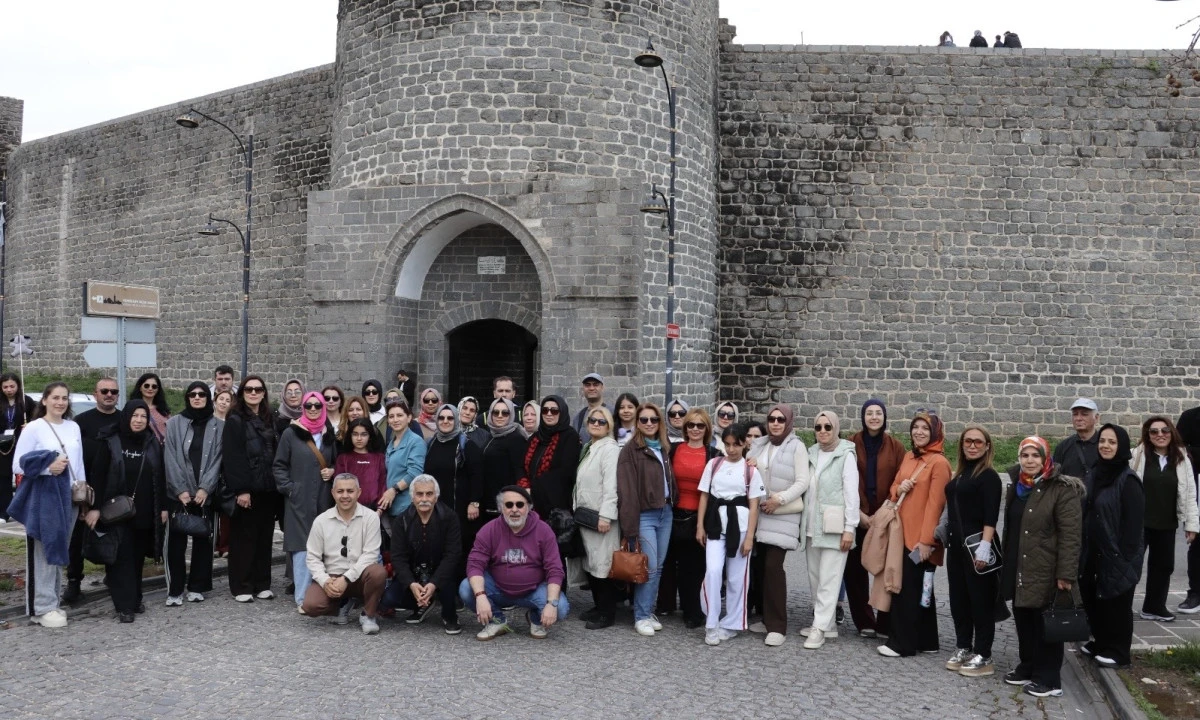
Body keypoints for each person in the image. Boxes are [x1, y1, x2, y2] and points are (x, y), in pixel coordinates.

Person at [1001, 436, 1084, 697]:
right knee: (1024, 620)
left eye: (1035, 455)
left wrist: (1066, 574)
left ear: (1045, 458)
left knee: (1045, 623)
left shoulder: (1061, 489)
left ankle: (1049, 679)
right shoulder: (1017, 486)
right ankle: (1027, 667)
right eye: (1025, 455)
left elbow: (1071, 536)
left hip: (1047, 569)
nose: (1030, 461)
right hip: (1020, 566)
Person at [11, 382, 86, 628]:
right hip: (45, 496)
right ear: (44, 400)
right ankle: (40, 606)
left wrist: (82, 492)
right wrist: (46, 468)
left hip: (69, 497)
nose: (60, 402)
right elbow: (18, 465)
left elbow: (79, 463)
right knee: (43, 550)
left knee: (59, 549)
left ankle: (51, 602)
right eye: (55, 397)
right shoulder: (33, 428)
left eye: (64, 398)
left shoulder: (73, 426)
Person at [878, 410, 951, 658]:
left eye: (925, 429)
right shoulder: (910, 456)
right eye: (915, 427)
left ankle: (902, 644)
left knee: (908, 590)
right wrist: (901, 487)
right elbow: (894, 487)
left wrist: (927, 541)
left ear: (935, 433)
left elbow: (936, 505)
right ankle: (927, 640)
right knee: (923, 590)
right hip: (902, 532)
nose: (919, 432)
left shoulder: (939, 463)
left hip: (919, 539)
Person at [84, 400, 164, 622]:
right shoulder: (111, 441)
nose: (138, 420)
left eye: (143, 416)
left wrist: (163, 508)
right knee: (120, 559)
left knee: (137, 558)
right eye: (134, 416)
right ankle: (124, 606)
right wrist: (95, 508)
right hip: (114, 512)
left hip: (144, 511)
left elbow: (160, 475)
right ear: (126, 416)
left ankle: (135, 598)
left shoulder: (151, 442)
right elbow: (98, 476)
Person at [459, 485, 569, 640]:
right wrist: (481, 595)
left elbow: (555, 569)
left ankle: (535, 619)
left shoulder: (544, 530)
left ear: (529, 507)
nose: (515, 509)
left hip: (534, 590)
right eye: (509, 505)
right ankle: (497, 621)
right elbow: (475, 564)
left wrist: (551, 603)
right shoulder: (488, 530)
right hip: (498, 588)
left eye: (520, 504)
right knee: (466, 588)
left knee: (561, 608)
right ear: (500, 508)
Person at [1079, 425, 1145, 670]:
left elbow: (1135, 526)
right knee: (1094, 598)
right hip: (1094, 551)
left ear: (1122, 447)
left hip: (1118, 554)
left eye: (1112, 442)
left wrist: (1124, 557)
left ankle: (1119, 652)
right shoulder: (1096, 473)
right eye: (1102, 441)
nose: (1105, 446)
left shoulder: (1128, 480)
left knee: (1116, 603)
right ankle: (1102, 642)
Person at [746, 404, 809, 647]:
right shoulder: (759, 444)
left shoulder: (797, 447)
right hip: (761, 514)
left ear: (789, 422)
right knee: (762, 568)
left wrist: (779, 499)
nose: (775, 423)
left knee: (774, 567)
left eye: (781, 419)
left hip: (782, 514)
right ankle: (766, 618)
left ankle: (778, 626)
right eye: (771, 419)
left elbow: (802, 481)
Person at [697, 423, 765, 646]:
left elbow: (754, 505)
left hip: (741, 526)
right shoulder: (714, 464)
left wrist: (749, 538)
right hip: (716, 524)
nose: (731, 449)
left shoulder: (751, 471)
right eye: (727, 444)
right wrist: (700, 526)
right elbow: (705, 497)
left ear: (745, 443)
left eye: (736, 444)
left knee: (737, 579)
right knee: (714, 571)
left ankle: (733, 623)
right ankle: (711, 621)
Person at [943, 425, 1003, 677]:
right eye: (968, 441)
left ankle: (983, 654)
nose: (972, 445)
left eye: (978, 442)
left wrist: (985, 548)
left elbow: (991, 516)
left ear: (987, 446)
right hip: (956, 546)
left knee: (981, 602)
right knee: (959, 600)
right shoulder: (960, 474)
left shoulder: (989, 476)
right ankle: (963, 646)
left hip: (978, 546)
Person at [799, 411, 859, 650]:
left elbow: (851, 494)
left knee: (830, 578)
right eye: (818, 427)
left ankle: (819, 628)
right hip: (812, 526)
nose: (823, 431)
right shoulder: (811, 453)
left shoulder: (846, 454)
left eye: (827, 427)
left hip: (835, 527)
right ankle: (827, 623)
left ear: (836, 428)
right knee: (815, 578)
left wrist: (849, 528)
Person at [846, 398, 905, 638]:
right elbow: (846, 478)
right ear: (862, 417)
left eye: (878, 413)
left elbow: (899, 479)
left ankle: (885, 623)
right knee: (854, 570)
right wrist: (858, 514)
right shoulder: (851, 443)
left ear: (884, 417)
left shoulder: (895, 447)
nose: (873, 417)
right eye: (869, 413)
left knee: (884, 569)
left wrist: (884, 513)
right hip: (857, 513)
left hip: (884, 515)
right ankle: (865, 622)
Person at [274, 390, 338, 608]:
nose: (312, 409)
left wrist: (333, 470)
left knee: (325, 547)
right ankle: (302, 598)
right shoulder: (291, 434)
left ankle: (324, 594)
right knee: (301, 548)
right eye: (308, 405)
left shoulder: (330, 434)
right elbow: (279, 464)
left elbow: (338, 462)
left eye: (317, 406)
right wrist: (290, 489)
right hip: (298, 500)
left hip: (324, 498)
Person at [617, 402, 676, 636]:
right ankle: (640, 616)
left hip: (666, 512)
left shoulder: (664, 447)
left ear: (659, 423)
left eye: (653, 419)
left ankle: (647, 611)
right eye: (644, 420)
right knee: (649, 567)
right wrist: (629, 528)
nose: (649, 423)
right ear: (638, 423)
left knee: (658, 567)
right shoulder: (631, 450)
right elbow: (627, 491)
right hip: (644, 514)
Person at [301, 473, 386, 635]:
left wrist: (346, 579)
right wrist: (325, 581)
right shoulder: (321, 521)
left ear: (359, 492)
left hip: (361, 576)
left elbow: (371, 554)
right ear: (333, 493)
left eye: (350, 491)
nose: (345, 496)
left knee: (378, 572)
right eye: (340, 491)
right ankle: (340, 604)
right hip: (332, 576)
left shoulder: (371, 518)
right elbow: (312, 557)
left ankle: (368, 615)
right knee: (311, 606)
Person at [1132, 416, 1198, 622]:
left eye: (1165, 431)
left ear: (1172, 433)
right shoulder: (1137, 455)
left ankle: (1154, 607)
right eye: (1154, 431)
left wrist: (1192, 524)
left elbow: (1189, 493)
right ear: (1148, 435)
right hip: (1139, 523)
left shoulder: (1182, 458)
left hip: (1167, 523)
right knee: (1131, 567)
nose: (1160, 435)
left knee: (1163, 567)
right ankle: (1121, 607)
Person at [163, 382, 223, 606]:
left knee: (203, 541)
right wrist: (180, 490)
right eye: (193, 394)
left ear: (208, 398)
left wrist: (205, 488)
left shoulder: (218, 426)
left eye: (202, 394)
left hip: (204, 493)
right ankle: (175, 590)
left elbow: (218, 458)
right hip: (179, 495)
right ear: (187, 397)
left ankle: (197, 587)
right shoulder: (174, 424)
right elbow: (170, 457)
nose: (197, 398)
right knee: (176, 544)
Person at [222, 375, 280, 602]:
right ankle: (242, 585)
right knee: (243, 539)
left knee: (264, 538)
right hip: (248, 488)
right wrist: (241, 490)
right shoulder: (235, 420)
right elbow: (233, 457)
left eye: (258, 389)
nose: (253, 393)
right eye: (249, 390)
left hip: (268, 487)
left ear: (264, 393)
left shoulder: (270, 417)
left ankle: (262, 582)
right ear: (242, 393)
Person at [660, 407, 718, 628]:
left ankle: (691, 609)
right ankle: (664, 605)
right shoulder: (673, 450)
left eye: (700, 425)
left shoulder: (713, 454)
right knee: (666, 563)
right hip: (672, 513)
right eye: (690, 425)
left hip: (698, 516)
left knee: (692, 567)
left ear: (707, 429)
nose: (695, 429)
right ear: (685, 428)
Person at [383, 474, 463, 634]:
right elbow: (398, 557)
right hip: (414, 573)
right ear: (412, 497)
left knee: (447, 585)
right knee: (389, 599)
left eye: (429, 494)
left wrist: (433, 584)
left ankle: (449, 614)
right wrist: (411, 584)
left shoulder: (449, 517)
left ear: (436, 496)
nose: (424, 498)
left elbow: (452, 555)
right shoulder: (402, 520)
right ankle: (421, 603)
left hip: (441, 573)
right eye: (419, 494)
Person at [64, 377, 120, 604]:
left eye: (113, 391)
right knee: (76, 539)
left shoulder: (123, 419)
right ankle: (74, 583)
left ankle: (113, 578)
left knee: (112, 535)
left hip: (113, 487)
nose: (109, 395)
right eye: (104, 391)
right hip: (83, 488)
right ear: (95, 394)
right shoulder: (81, 422)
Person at [574, 405, 621, 629]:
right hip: (587, 516)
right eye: (592, 420)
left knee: (603, 565)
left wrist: (606, 516)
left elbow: (612, 486)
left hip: (601, 517)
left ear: (609, 425)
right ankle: (598, 605)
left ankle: (607, 612)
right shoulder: (589, 447)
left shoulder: (610, 449)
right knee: (592, 564)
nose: (596, 424)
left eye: (601, 421)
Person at [424, 403, 484, 568]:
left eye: (450, 418)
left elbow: (477, 475)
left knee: (458, 550)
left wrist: (474, 502)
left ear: (456, 419)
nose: (445, 421)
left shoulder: (466, 444)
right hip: (435, 507)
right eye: (441, 418)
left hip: (460, 508)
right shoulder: (431, 443)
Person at [522, 395, 581, 537]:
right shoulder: (535, 438)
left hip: (556, 505)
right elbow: (522, 465)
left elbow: (565, 471)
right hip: (532, 503)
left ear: (562, 413)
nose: (549, 414)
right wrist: (524, 485)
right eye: (545, 410)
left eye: (554, 411)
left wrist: (534, 487)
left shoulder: (570, 436)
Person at [378, 400, 426, 521]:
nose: (395, 419)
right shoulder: (391, 443)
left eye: (399, 415)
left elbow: (415, 472)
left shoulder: (416, 441)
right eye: (391, 416)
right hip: (392, 506)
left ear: (409, 418)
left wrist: (394, 490)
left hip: (408, 506)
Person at [481, 399, 527, 518]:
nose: (500, 416)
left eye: (505, 413)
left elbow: (519, 471)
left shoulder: (516, 438)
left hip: (505, 504)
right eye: (496, 412)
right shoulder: (491, 435)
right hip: (488, 501)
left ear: (511, 414)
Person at [1175, 403, 1200, 614]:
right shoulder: (1190, 418)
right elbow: (1180, 451)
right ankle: (1196, 593)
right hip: (1198, 486)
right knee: (1198, 543)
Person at [0, 372, 33, 522]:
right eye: (5, 387)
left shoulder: (26, 401)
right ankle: (4, 512)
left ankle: (22, 509)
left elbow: (38, 417)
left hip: (22, 443)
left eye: (12, 386)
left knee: (23, 477)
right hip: (3, 446)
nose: (9, 389)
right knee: (4, 478)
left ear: (18, 386)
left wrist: (30, 425)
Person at [334, 419, 386, 512]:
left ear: (370, 436)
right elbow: (338, 487)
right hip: (348, 510)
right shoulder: (343, 458)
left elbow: (383, 485)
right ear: (350, 436)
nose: (359, 438)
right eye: (355, 434)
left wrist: (380, 509)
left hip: (373, 510)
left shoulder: (379, 458)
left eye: (363, 434)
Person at [1052, 398, 1100, 481]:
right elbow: (1054, 478)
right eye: (1075, 414)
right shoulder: (1063, 447)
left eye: (1084, 414)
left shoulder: (1104, 446)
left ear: (1096, 418)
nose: (1078, 418)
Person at [131, 372, 170, 444]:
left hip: (164, 450)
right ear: (140, 387)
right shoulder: (132, 408)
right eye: (146, 386)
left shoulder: (163, 409)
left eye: (154, 386)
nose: (150, 388)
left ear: (158, 389)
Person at [570, 373, 609, 438]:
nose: (591, 388)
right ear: (583, 388)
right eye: (587, 385)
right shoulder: (578, 418)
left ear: (602, 387)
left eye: (595, 384)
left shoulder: (613, 413)